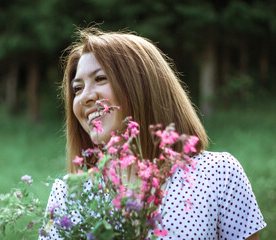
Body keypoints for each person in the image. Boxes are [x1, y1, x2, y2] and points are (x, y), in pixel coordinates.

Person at [39, 28, 266, 240]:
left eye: (100, 78)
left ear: (141, 86)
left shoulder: (218, 175)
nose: (85, 97)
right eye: (77, 88)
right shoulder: (68, 194)